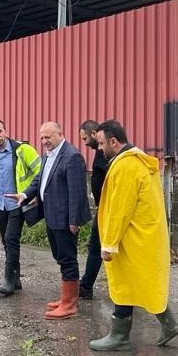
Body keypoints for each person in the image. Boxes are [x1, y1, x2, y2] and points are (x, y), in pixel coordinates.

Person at [88, 120, 178, 351]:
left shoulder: (126, 166)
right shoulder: (137, 160)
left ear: (114, 141)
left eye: (102, 143)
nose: (100, 148)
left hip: (130, 237)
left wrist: (109, 243)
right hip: (143, 234)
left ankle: (119, 336)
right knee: (140, 283)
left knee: (124, 285)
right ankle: (170, 324)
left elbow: (119, 209)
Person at [8, 121, 90, 319]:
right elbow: (39, 180)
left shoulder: (72, 156)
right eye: (42, 137)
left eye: (48, 137)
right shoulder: (48, 155)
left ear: (60, 134)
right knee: (60, 257)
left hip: (65, 220)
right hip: (52, 216)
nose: (44, 141)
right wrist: (24, 195)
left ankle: (70, 305)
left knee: (68, 259)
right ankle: (66, 298)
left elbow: (78, 193)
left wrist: (74, 221)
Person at [0, 119, 41, 296]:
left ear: (5, 131)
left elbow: (41, 171)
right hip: (1, 205)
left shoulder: (22, 150)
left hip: (18, 204)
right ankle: (15, 279)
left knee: (11, 239)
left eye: (0, 131)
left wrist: (32, 193)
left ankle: (8, 280)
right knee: (5, 241)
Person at [78, 120, 111, 300]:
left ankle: (86, 286)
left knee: (96, 246)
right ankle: (86, 285)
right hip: (103, 207)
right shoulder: (101, 152)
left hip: (108, 209)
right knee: (98, 247)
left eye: (85, 138)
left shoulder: (105, 153)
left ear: (93, 133)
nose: (85, 143)